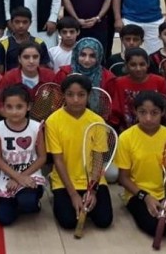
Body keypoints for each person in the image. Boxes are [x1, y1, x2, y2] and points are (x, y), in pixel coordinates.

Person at [115, 91, 166, 240]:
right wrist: (146, 197)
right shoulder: (126, 138)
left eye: (154, 113)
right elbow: (123, 178)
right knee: (153, 227)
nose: (148, 118)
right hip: (138, 194)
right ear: (135, 112)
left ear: (162, 112)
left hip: (165, 194)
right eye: (143, 112)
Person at [45, 74, 113, 231]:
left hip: (92, 181)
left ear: (88, 95)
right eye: (70, 94)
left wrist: (93, 190)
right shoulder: (53, 121)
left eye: (81, 95)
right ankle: (61, 195)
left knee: (104, 221)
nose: (75, 100)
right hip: (64, 181)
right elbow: (58, 160)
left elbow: (98, 158)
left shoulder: (97, 121)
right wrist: (73, 194)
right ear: (63, 95)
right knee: (68, 222)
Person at [0, 85, 46, 226]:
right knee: (4, 219)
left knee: (28, 203)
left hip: (30, 174)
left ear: (28, 106)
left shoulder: (36, 127)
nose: (14, 111)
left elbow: (42, 158)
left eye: (19, 106)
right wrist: (16, 177)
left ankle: (30, 200)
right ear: (3, 108)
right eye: (9, 107)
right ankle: (12, 201)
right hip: (8, 176)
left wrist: (21, 177)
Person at [109, 48, 166, 131]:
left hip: (154, 128)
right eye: (133, 65)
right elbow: (116, 111)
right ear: (126, 65)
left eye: (142, 64)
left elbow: (163, 108)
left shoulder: (159, 81)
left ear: (148, 64)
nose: (138, 69)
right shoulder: (119, 83)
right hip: (127, 130)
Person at [0, 7, 51, 74]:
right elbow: (0, 74)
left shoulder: (39, 43)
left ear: (30, 23)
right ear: (11, 22)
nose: (21, 25)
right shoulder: (3, 45)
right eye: (17, 22)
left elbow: (43, 70)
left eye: (25, 22)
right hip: (11, 80)